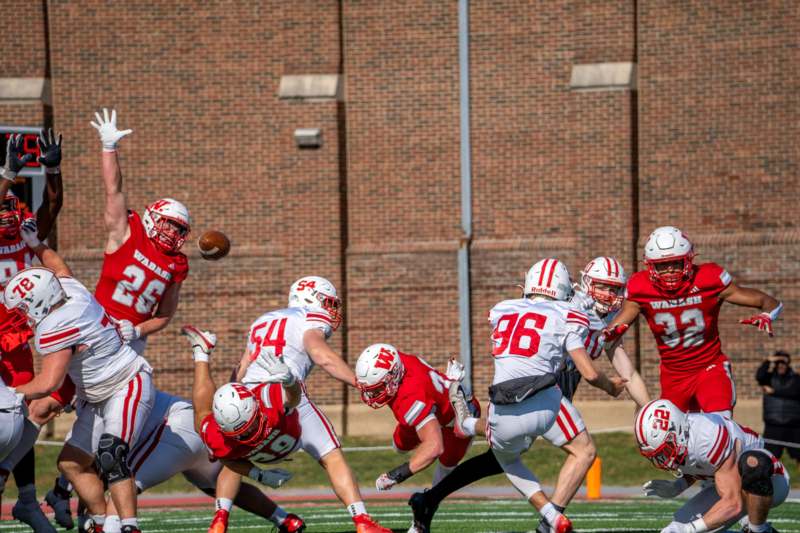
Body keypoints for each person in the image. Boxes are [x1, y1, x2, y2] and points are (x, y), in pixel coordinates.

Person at [410, 257, 649, 533]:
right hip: (544, 385)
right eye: (602, 287)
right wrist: (608, 386)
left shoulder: (602, 317)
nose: (608, 295)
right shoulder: (569, 305)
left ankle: (434, 491)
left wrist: (647, 408)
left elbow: (625, 368)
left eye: (614, 289)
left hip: (551, 385)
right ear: (585, 284)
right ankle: (549, 520)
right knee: (576, 451)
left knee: (500, 456)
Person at [4, 243, 154, 532]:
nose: (23, 313)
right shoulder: (72, 292)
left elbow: (50, 382)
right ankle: (100, 523)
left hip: (126, 383)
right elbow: (60, 268)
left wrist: (12, 394)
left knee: (112, 453)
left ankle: (130, 527)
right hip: (97, 397)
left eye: (24, 306)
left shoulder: (55, 325)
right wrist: (36, 244)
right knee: (71, 464)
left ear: (38, 301)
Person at [237, 276, 392, 533]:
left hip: (248, 397)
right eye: (328, 302)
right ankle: (363, 521)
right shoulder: (309, 317)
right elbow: (321, 355)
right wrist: (358, 381)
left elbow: (241, 370)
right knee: (331, 455)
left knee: (230, 453)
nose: (332, 310)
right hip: (285, 391)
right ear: (310, 298)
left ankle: (219, 520)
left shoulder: (262, 321)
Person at [605, 226, 782, 417]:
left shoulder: (708, 278)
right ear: (650, 265)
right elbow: (615, 328)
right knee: (676, 439)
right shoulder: (641, 286)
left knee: (721, 427)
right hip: (673, 375)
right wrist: (604, 333)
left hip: (710, 368)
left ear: (689, 259)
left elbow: (767, 302)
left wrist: (768, 314)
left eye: (676, 263)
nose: (670, 270)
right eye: (662, 265)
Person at [99, 385, 305, 533]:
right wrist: (259, 474)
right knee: (219, 487)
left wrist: (201, 354)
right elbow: (229, 460)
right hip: (189, 430)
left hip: (174, 430)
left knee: (123, 482)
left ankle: (116, 528)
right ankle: (285, 520)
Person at [0, 131, 69, 532]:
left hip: (14, 335)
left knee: (23, 413)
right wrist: (8, 174)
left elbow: (53, 204)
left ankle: (26, 499)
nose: (9, 212)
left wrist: (52, 168)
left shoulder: (23, 232)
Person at [89, 108, 190, 354]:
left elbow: (164, 315)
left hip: (129, 338)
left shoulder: (177, 264)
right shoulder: (128, 232)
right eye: (168, 223)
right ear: (152, 218)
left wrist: (137, 331)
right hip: (94, 323)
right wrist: (109, 147)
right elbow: (113, 189)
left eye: (178, 228)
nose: (172, 232)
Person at [636, 399, 788, 533]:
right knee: (673, 530)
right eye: (657, 455)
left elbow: (733, 504)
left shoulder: (708, 436)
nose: (662, 459)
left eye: (665, 450)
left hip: (770, 481)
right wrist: (679, 485)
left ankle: (758, 530)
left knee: (753, 463)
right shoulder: (684, 438)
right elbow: (699, 465)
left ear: (678, 429)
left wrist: (690, 529)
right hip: (729, 486)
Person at [354, 343, 479, 493]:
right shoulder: (398, 360)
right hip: (429, 401)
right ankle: (449, 382)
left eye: (377, 389)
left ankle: (431, 501)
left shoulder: (410, 397)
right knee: (399, 445)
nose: (371, 395)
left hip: (454, 417)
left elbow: (434, 447)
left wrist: (395, 475)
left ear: (393, 377)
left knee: (446, 465)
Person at [756, 350, 800, 465]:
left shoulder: (795, 379)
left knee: (798, 455)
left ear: (788, 363)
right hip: (773, 426)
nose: (781, 365)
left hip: (793, 426)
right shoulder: (768, 378)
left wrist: (773, 391)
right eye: (778, 362)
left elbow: (794, 392)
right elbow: (759, 375)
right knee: (769, 458)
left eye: (783, 363)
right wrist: (769, 360)